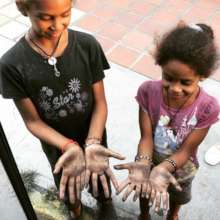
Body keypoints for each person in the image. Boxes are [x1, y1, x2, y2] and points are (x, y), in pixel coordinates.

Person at [0, 0, 125, 219]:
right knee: (69, 189)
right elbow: (33, 122)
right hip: (60, 149)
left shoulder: (87, 45)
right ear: (23, 8)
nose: (57, 25)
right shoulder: (11, 64)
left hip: (93, 136)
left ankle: (104, 203)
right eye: (46, 17)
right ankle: (75, 212)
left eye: (65, 14)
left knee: (100, 183)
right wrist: (69, 146)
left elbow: (100, 104)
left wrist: (93, 142)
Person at [114, 21, 220, 220]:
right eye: (168, 78)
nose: (175, 88)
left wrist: (164, 168)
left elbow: (186, 150)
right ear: (161, 66)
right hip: (150, 159)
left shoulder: (208, 107)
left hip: (183, 168)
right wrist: (144, 164)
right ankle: (144, 214)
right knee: (145, 190)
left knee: (177, 196)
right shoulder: (147, 91)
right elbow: (146, 137)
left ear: (202, 76)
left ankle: (173, 215)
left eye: (185, 82)